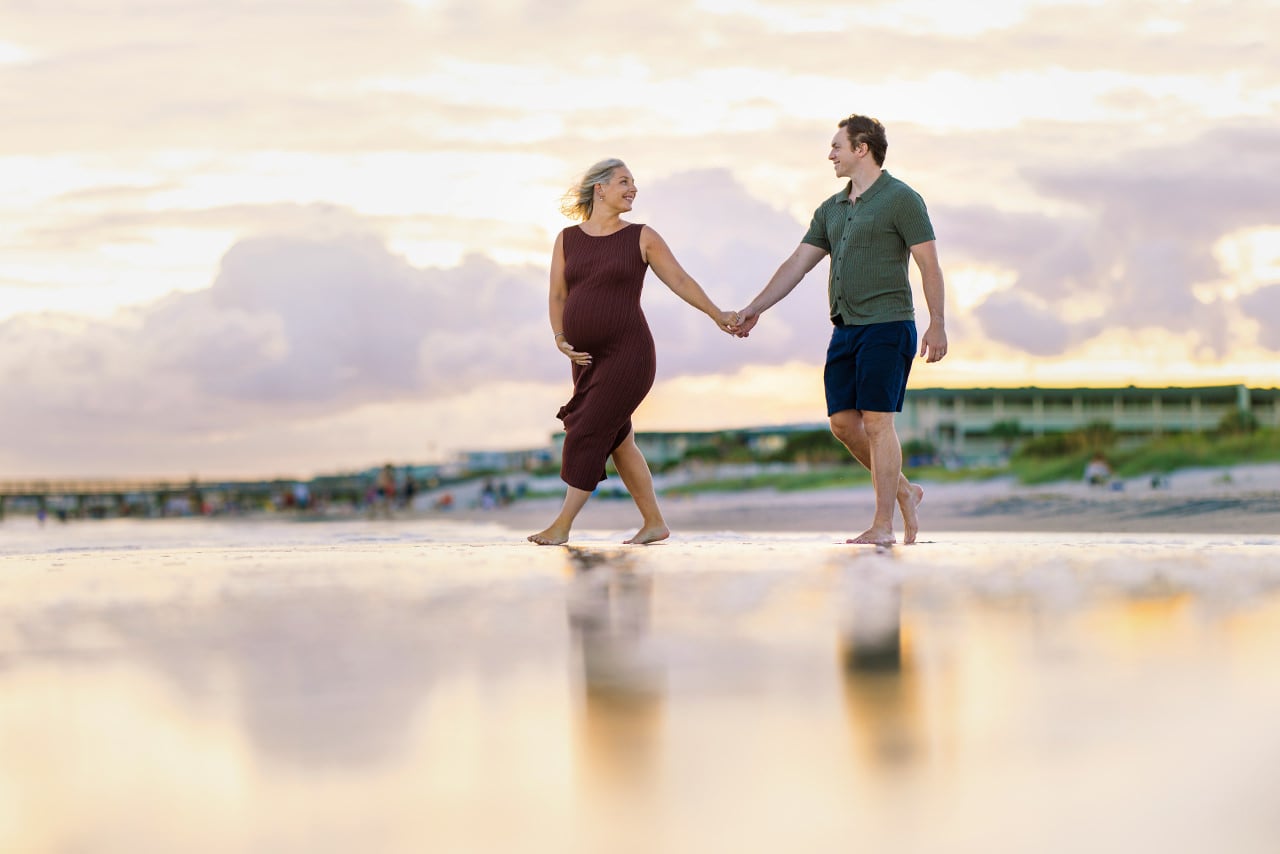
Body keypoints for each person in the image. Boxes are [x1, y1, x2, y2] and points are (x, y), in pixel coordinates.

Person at [730, 114, 948, 546]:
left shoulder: (902, 199)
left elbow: (928, 263)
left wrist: (937, 322)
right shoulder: (830, 209)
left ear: (861, 147)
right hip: (845, 330)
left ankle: (883, 525)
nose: (830, 154)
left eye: (836, 146)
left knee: (878, 422)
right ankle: (905, 489)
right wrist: (755, 308)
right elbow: (797, 263)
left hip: (888, 324)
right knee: (843, 424)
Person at [529, 158, 739, 546]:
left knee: (587, 429)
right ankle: (654, 523)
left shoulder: (642, 237)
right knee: (621, 441)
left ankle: (562, 525)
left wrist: (715, 314)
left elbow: (678, 278)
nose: (633, 189)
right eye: (624, 181)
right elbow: (558, 295)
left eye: (634, 183)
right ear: (600, 189)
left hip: (629, 354)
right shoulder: (566, 239)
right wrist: (560, 337)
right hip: (585, 361)